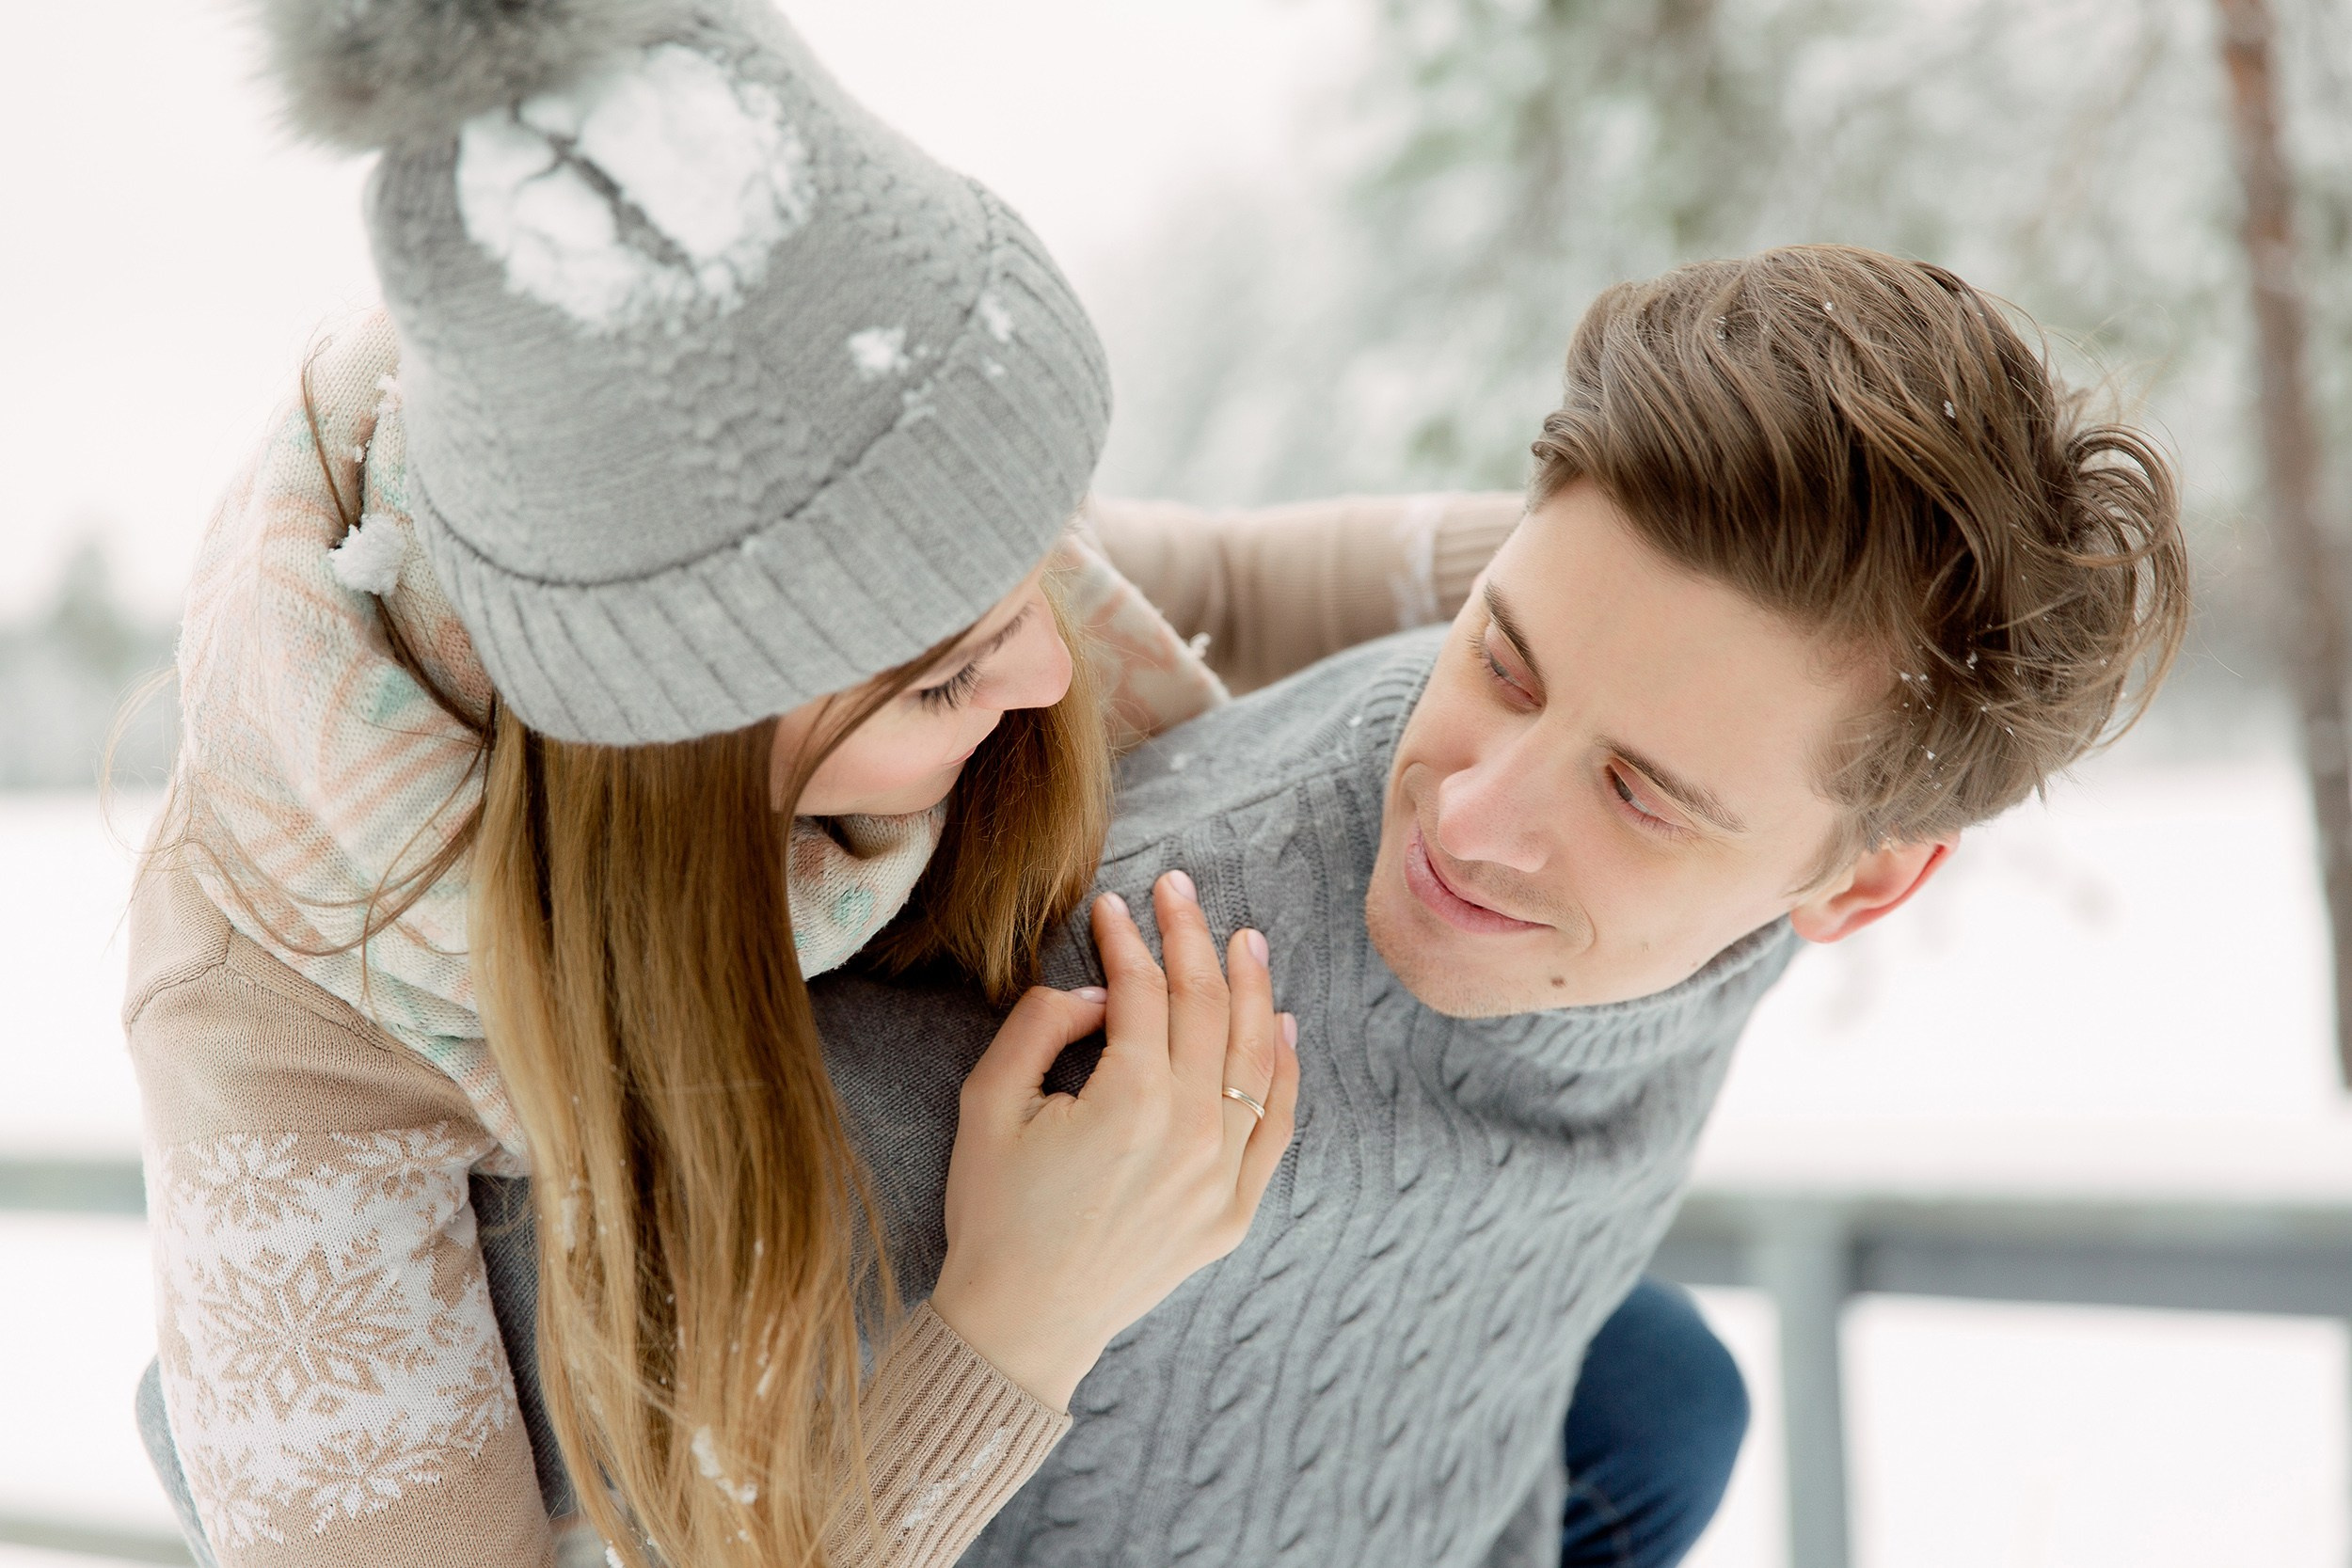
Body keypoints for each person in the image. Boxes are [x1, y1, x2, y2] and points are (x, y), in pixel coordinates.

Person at [688, 244, 2186, 1567]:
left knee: (1670, 1400)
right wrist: (1002, 1342)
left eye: (1640, 796)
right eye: (1501, 664)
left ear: (1860, 884)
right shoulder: (1062, 1023)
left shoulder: (1738, 873)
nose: (1471, 819)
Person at [125, 3, 1305, 1566]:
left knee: (1652, 1394)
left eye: (1039, 567)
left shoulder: (795, 509)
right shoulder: (278, 1042)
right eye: (948, 677)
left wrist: (1569, 579)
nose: (1049, 676)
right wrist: (1015, 1328)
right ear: (664, 773)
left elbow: (1202, 575)